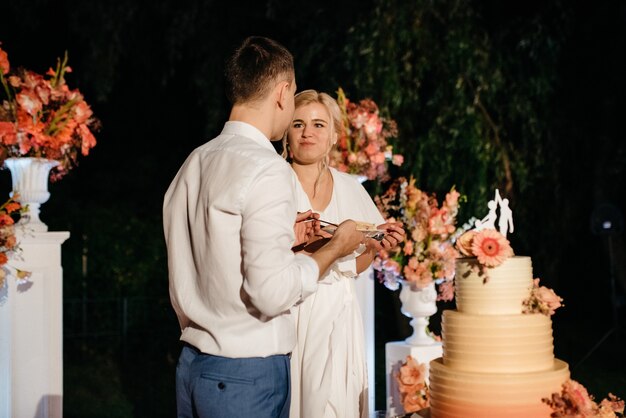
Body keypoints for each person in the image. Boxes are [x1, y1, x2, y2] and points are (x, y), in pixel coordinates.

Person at [162, 37, 365, 418]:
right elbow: (271, 293)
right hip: (245, 372)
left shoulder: (195, 161)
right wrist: (334, 248)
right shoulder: (266, 168)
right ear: (283, 92)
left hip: (192, 365)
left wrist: (288, 236)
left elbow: (209, 249)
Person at [283, 89, 405, 418]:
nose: (308, 132)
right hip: (287, 310)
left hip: (338, 311)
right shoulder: (274, 184)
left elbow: (360, 261)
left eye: (319, 124)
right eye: (298, 124)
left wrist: (378, 244)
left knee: (336, 404)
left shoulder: (351, 187)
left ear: (334, 134)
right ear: (286, 134)